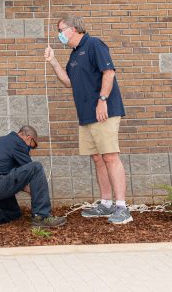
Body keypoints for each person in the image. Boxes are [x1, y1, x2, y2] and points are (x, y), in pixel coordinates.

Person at [44, 15, 131, 225]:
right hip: (86, 116)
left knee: (110, 157)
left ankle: (122, 207)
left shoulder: (94, 44)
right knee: (98, 158)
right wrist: (53, 61)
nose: (59, 34)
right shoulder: (74, 55)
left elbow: (108, 73)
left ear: (74, 29)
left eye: (61, 29)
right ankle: (106, 203)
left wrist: (102, 100)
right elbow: (68, 82)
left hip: (104, 113)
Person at [0, 125, 66, 227]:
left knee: (14, 214)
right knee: (36, 167)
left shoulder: (1, 141)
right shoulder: (18, 143)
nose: (30, 149)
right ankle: (41, 217)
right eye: (32, 145)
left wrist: (32, 190)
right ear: (28, 137)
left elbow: (15, 176)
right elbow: (30, 172)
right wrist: (36, 191)